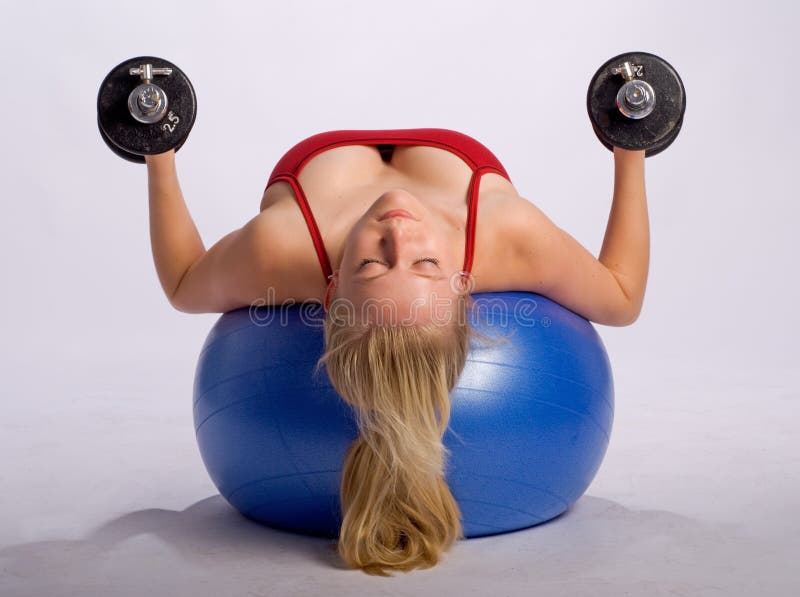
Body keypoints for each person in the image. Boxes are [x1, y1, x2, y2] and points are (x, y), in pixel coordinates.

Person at [144, 128, 649, 576]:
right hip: (454, 161)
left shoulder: (279, 249)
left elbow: (184, 282)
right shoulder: (507, 235)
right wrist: (631, 146)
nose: (398, 230)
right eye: (426, 261)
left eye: (370, 264)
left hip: (320, 164)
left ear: (332, 289)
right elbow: (622, 297)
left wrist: (157, 148)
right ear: (466, 288)